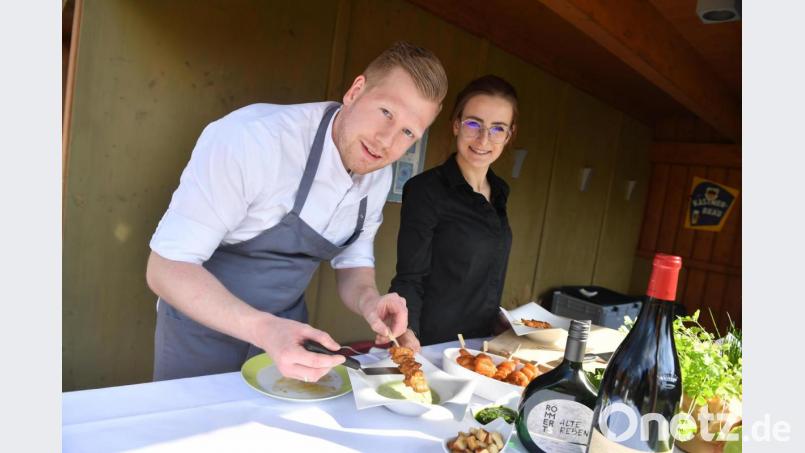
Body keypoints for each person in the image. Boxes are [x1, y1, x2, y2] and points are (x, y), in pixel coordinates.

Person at [146, 41, 447, 382]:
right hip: (199, 336)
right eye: (386, 112)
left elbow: (353, 263)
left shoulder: (377, 176)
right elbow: (166, 268)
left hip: (287, 340)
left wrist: (370, 302)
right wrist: (264, 328)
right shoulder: (253, 140)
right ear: (356, 91)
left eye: (408, 132)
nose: (386, 141)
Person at [389, 74, 518, 350]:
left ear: (509, 135)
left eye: (497, 128)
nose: (484, 138)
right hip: (433, 345)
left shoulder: (499, 192)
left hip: (483, 346)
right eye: (474, 123)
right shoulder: (426, 190)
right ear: (456, 124)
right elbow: (410, 277)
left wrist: (499, 319)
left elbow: (480, 273)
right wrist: (406, 332)